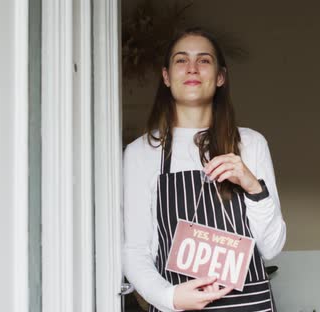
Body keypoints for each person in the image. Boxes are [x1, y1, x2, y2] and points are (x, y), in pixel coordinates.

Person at [122, 27, 286, 311]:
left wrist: (252, 186)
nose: (192, 68)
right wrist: (169, 298)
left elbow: (271, 248)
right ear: (166, 76)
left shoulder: (250, 143)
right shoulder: (141, 152)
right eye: (181, 60)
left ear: (220, 77)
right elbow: (135, 250)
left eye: (204, 60)